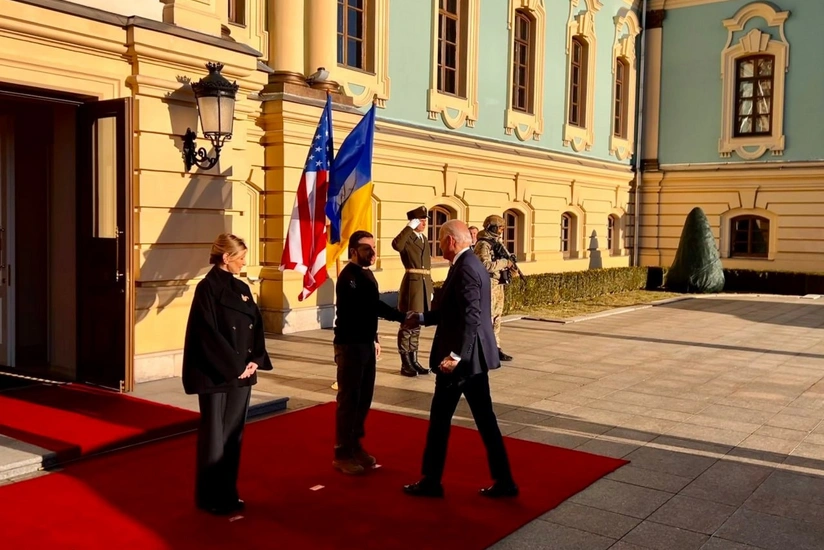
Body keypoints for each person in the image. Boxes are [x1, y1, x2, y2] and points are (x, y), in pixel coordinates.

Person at [402, 220, 518, 499]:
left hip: (462, 360)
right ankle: (504, 481)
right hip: (472, 358)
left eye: (440, 241)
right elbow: (452, 312)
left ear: (452, 241)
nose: (438, 245)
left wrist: (455, 356)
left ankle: (431, 481)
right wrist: (421, 318)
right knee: (484, 420)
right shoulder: (468, 264)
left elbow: (471, 317)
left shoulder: (466, 268)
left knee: (441, 419)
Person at [182, 233, 273, 516]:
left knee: (233, 435)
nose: (244, 263)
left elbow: (256, 324)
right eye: (241, 258)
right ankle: (211, 497)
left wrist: (255, 359)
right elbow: (206, 334)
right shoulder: (207, 289)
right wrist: (235, 366)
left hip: (243, 373)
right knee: (215, 438)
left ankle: (228, 492)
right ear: (226, 258)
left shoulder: (241, 287)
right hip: (218, 374)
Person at [333, 230, 407, 475]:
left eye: (374, 248)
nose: (373, 253)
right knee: (349, 399)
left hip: (364, 343)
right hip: (349, 345)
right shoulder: (348, 277)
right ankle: (342, 452)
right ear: (354, 251)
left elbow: (369, 312)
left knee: (364, 398)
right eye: (367, 249)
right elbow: (369, 307)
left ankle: (356, 445)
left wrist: (374, 338)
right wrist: (402, 317)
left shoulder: (366, 275)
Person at [391, 205, 433, 377]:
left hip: (423, 285)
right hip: (412, 285)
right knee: (408, 324)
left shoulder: (423, 239)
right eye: (421, 221)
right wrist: (409, 227)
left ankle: (414, 360)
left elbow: (427, 266)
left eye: (425, 221)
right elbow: (396, 245)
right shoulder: (407, 238)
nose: (424, 224)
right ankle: (405, 363)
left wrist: (429, 288)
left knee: (417, 325)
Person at [474, 215, 514, 362]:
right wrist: (504, 263)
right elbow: (483, 265)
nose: (502, 230)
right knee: (488, 317)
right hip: (488, 284)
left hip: (498, 284)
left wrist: (511, 266)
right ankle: (485, 349)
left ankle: (496, 348)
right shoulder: (483, 244)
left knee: (497, 317)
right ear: (491, 227)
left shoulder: (497, 242)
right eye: (500, 227)